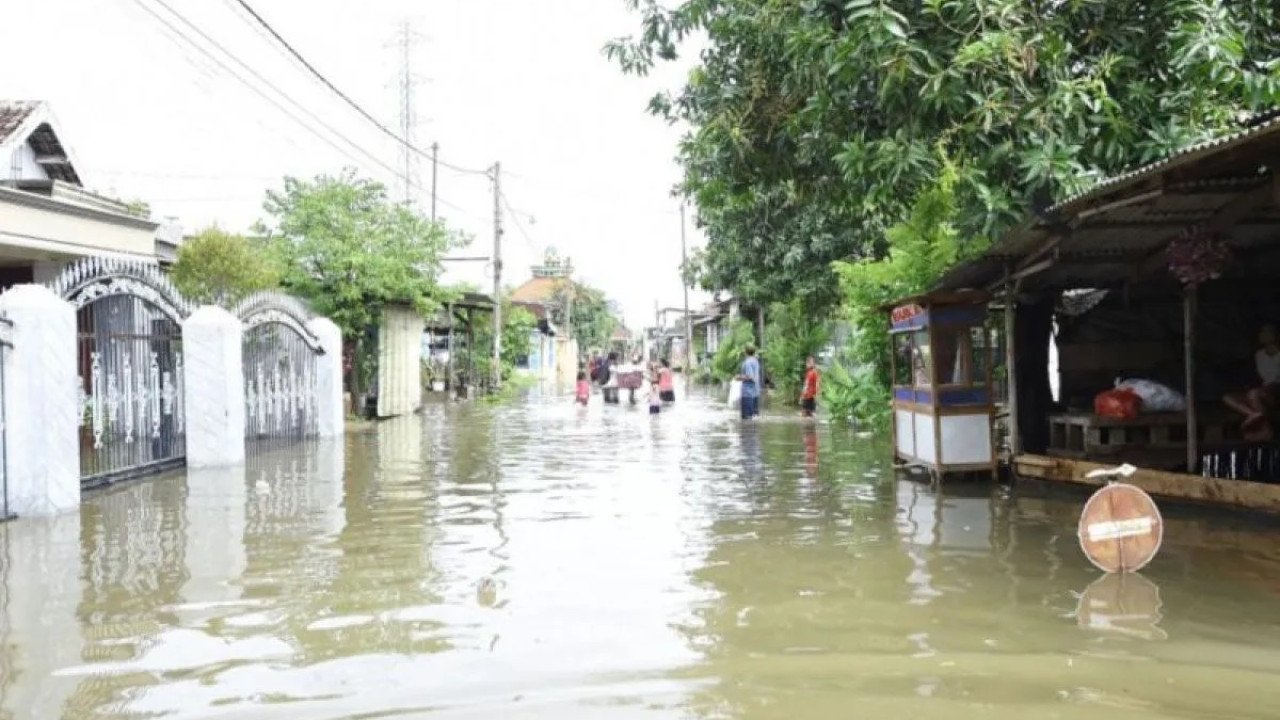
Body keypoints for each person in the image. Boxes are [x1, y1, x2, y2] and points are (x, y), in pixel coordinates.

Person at [1224, 324, 1280, 441]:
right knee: (1228, 397)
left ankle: (1265, 430)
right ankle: (1253, 414)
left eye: (1266, 332)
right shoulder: (1259, 354)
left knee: (1254, 394)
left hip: (1276, 390)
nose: (1262, 335)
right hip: (1262, 390)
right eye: (1261, 332)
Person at [738, 345, 762, 420]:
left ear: (745, 352)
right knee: (754, 418)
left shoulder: (747, 362)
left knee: (746, 419)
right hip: (756, 393)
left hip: (748, 394)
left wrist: (739, 377)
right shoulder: (756, 361)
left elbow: (750, 376)